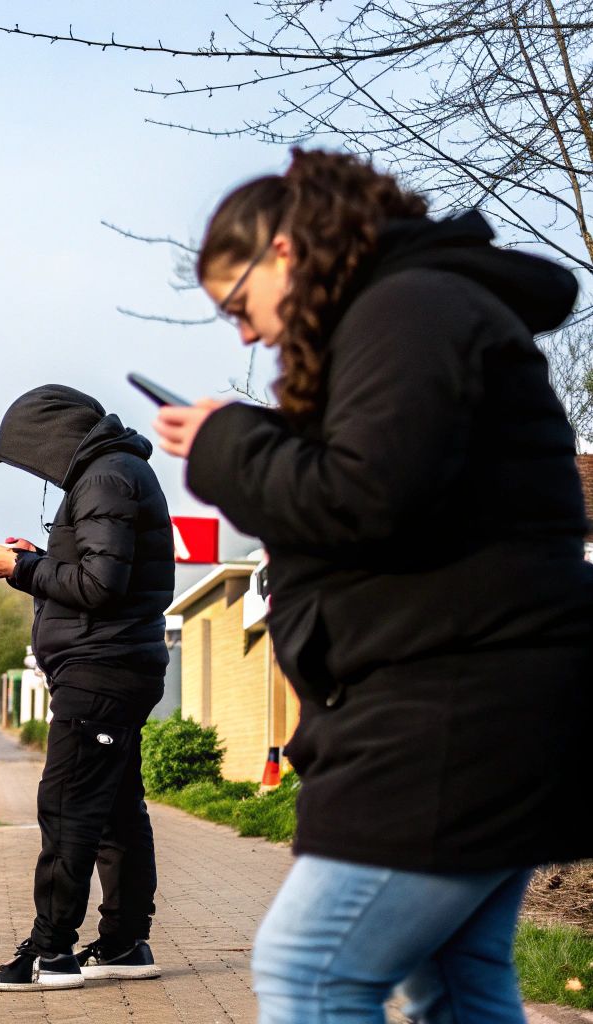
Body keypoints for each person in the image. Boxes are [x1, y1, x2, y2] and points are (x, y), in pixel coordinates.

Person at [153, 148, 593, 1023]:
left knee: (310, 971)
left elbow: (363, 498)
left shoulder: (407, 309)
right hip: (474, 699)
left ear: (284, 250)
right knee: (458, 981)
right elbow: (392, 483)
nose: (243, 333)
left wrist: (227, 443)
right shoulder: (409, 314)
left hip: (455, 710)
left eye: (238, 305)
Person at [0, 385, 177, 991]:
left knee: (66, 809)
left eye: (31, 458)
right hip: (117, 668)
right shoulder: (116, 472)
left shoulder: (105, 478)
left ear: (53, 438)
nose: (38, 473)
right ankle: (124, 945)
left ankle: (50, 954)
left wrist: (23, 569)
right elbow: (100, 570)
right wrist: (39, 558)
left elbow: (101, 584)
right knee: (114, 811)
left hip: (99, 672)